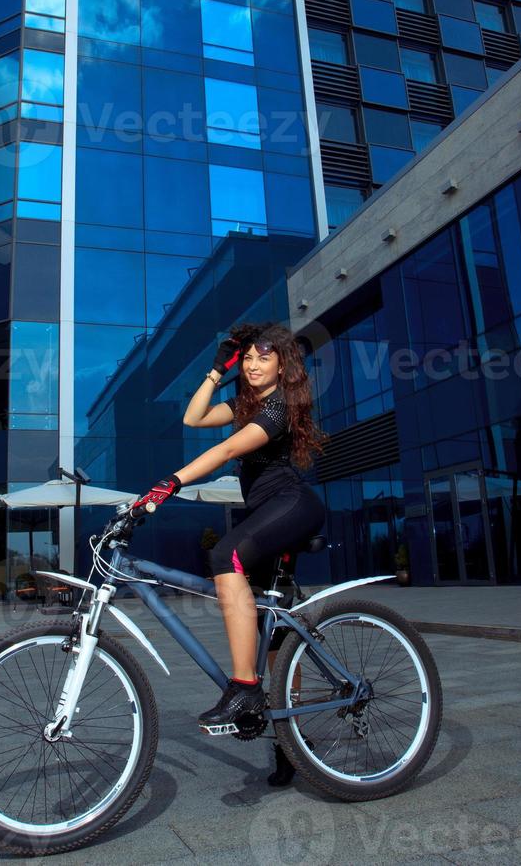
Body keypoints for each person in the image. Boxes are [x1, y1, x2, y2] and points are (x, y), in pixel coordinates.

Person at [133, 322, 327, 783]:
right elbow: (193, 419)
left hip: (292, 505)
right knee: (273, 631)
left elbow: (224, 451)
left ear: (282, 364)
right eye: (249, 358)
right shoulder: (242, 405)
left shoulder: (283, 405)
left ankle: (245, 688)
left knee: (225, 558)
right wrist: (216, 370)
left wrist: (172, 482)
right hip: (264, 515)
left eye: (265, 357)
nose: (255, 365)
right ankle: (289, 741)